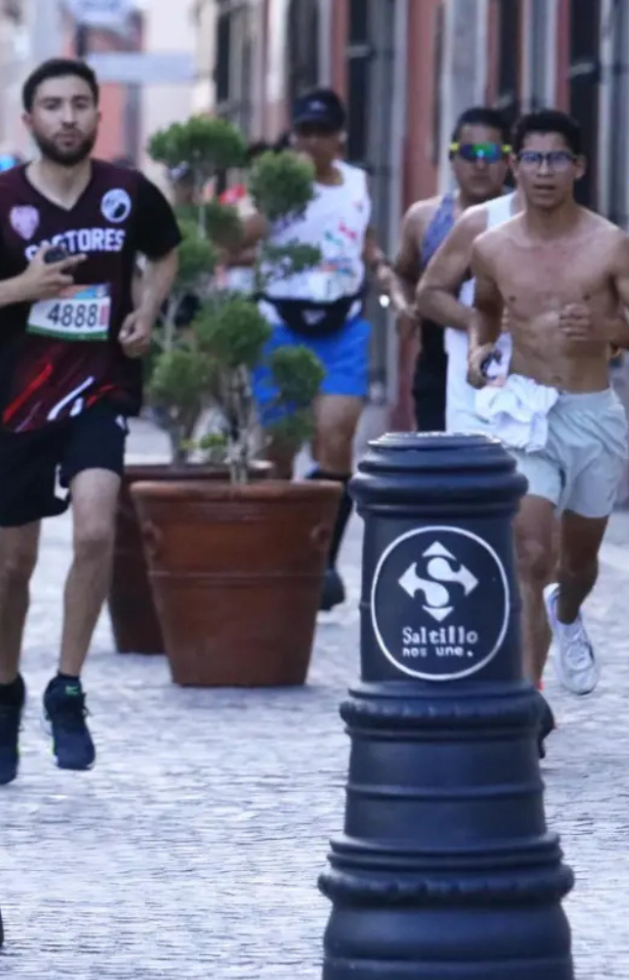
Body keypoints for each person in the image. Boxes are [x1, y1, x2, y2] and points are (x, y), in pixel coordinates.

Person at [0, 58, 182, 782]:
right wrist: (22, 287)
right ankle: (6, 688)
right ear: (30, 120)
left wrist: (147, 310)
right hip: (16, 402)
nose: (67, 117)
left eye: (79, 104)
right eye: (52, 105)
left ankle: (66, 686)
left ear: (98, 115)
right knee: (16, 562)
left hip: (100, 389)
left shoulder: (128, 194)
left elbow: (165, 253)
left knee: (99, 525)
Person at [462, 109, 629, 742]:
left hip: (589, 414)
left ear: (578, 167)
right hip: (523, 411)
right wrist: (478, 351)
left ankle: (569, 611)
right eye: (532, 158)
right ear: (513, 165)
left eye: (557, 159)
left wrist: (607, 331)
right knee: (529, 553)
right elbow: (487, 309)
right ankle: (527, 704)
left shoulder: (611, 246)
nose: (543, 171)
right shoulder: (491, 246)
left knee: (575, 566)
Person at [234, 88, 395, 613]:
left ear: (339, 137)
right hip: (282, 323)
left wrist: (382, 268)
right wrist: (280, 197)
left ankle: (322, 556)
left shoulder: (357, 182)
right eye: (303, 131)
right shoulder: (277, 182)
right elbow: (239, 240)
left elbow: (361, 237)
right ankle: (280, 553)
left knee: (336, 436)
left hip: (342, 324)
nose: (312, 141)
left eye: (322, 132)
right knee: (278, 446)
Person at [391, 108, 514, 432]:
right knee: (441, 466)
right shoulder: (423, 218)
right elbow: (402, 274)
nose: (480, 163)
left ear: (508, 160)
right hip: (439, 358)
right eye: (470, 152)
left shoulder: (526, 218)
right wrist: (403, 307)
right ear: (452, 156)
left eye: (491, 153)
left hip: (511, 360)